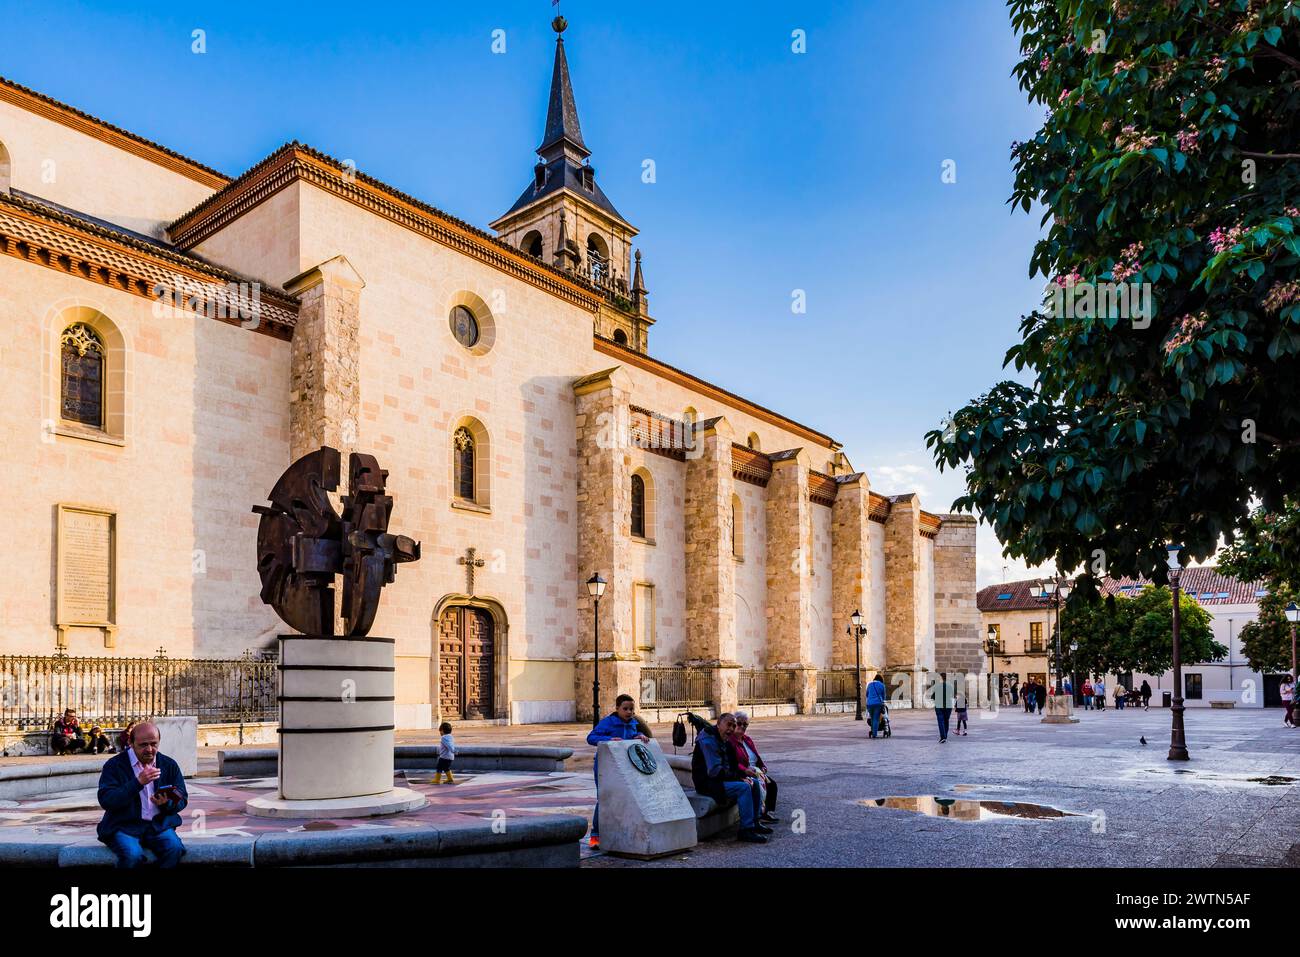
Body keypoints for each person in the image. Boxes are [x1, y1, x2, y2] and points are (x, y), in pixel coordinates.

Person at [96, 721, 188, 868]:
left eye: (154, 744)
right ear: (131, 743)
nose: (150, 749)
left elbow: (182, 798)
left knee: (174, 849)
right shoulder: (114, 765)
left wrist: (167, 804)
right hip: (124, 825)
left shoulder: (168, 765)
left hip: (158, 825)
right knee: (132, 855)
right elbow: (107, 800)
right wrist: (138, 783)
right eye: (143, 745)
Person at [687, 712, 768, 843]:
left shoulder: (725, 740)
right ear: (719, 724)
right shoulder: (708, 740)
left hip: (720, 780)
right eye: (728, 725)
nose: (731, 729)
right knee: (743, 787)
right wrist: (737, 778)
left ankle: (755, 822)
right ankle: (746, 830)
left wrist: (743, 774)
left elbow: (733, 765)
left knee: (754, 782)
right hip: (707, 783)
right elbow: (714, 771)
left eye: (733, 725)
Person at [585, 693, 649, 849]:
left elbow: (632, 736)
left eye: (631, 709)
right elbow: (591, 737)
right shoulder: (608, 723)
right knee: (604, 799)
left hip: (624, 766)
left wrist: (640, 735)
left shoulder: (633, 723)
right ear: (617, 708)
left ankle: (620, 833)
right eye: (625, 709)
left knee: (624, 798)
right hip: (605, 766)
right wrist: (609, 740)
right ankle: (595, 836)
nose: (629, 712)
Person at [732, 712, 778, 823]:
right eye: (739, 723)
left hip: (755, 770)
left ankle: (765, 812)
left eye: (745, 724)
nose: (742, 726)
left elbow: (756, 755)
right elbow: (732, 762)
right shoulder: (730, 741)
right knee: (756, 785)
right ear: (733, 724)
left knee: (772, 784)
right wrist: (746, 770)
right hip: (744, 771)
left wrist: (762, 766)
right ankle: (757, 815)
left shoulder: (747, 739)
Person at [932, 673, 955, 743]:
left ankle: (943, 736)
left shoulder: (937, 686)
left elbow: (933, 697)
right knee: (946, 721)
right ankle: (945, 736)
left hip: (939, 706)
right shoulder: (950, 686)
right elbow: (952, 695)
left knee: (940, 721)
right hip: (948, 706)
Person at [865, 673, 887, 738]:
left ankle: (873, 731)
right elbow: (884, 697)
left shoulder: (869, 684)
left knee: (872, 718)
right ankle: (874, 734)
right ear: (881, 680)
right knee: (876, 719)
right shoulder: (882, 685)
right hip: (877, 704)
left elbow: (867, 694)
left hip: (869, 704)